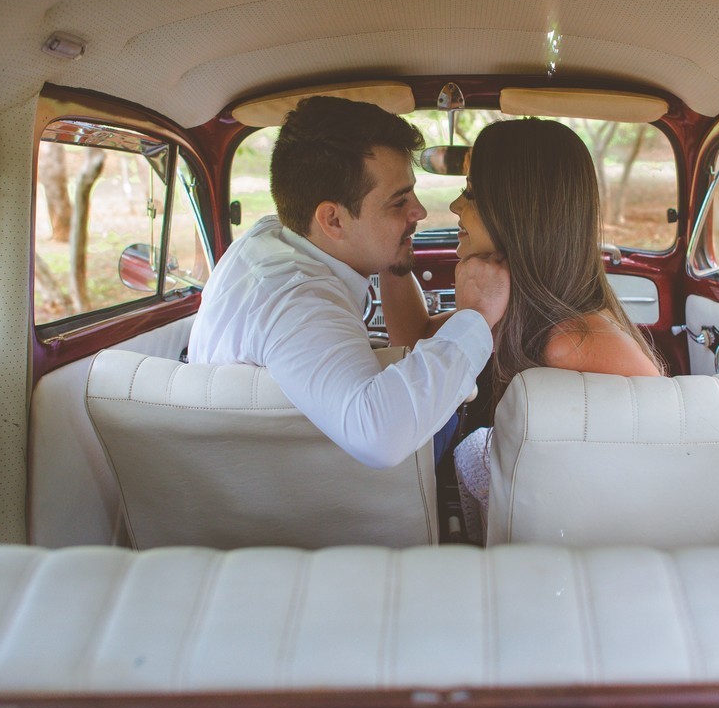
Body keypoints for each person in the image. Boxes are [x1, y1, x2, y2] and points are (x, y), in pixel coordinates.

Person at [188, 96, 509, 469]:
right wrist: (477, 315)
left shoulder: (270, 240)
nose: (420, 211)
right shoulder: (300, 301)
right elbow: (380, 437)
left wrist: (392, 245)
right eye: (398, 202)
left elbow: (410, 336)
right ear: (334, 221)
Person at [380, 118, 661, 541]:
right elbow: (417, 337)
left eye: (471, 193)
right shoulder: (526, 312)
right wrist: (394, 260)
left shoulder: (573, 343)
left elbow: (660, 456)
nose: (456, 206)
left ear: (520, 212)